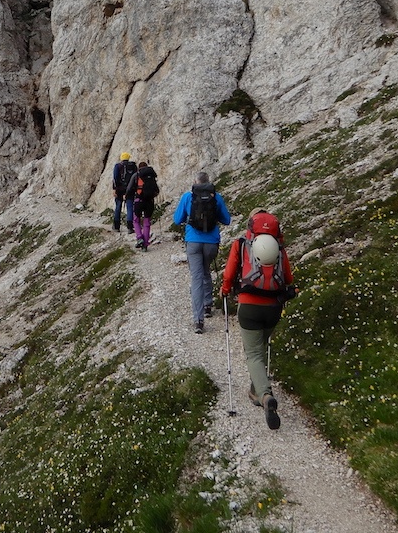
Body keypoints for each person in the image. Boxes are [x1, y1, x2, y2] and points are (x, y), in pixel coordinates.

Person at [221, 209, 297, 430]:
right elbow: (289, 278)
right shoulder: (279, 248)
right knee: (261, 348)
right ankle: (256, 391)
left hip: (249, 306)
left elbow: (229, 273)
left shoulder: (242, 243)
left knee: (253, 353)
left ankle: (265, 396)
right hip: (274, 307)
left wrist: (225, 290)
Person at [172, 172, 231, 334]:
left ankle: (198, 320)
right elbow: (226, 220)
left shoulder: (187, 197)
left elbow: (177, 220)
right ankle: (208, 304)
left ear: (195, 183)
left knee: (197, 276)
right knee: (206, 270)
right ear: (208, 183)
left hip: (193, 241)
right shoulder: (216, 197)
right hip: (211, 243)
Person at [126, 161, 159, 250]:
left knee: (136, 220)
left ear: (138, 168)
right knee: (147, 222)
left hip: (139, 201)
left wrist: (128, 195)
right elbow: (156, 190)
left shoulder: (136, 175)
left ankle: (139, 237)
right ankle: (145, 244)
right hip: (149, 202)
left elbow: (129, 188)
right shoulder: (151, 176)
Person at [111, 152, 137, 233]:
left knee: (118, 206)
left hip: (119, 189)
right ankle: (129, 227)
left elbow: (115, 178)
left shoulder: (118, 166)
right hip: (130, 189)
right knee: (130, 208)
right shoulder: (133, 166)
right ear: (128, 158)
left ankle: (116, 226)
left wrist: (114, 189)